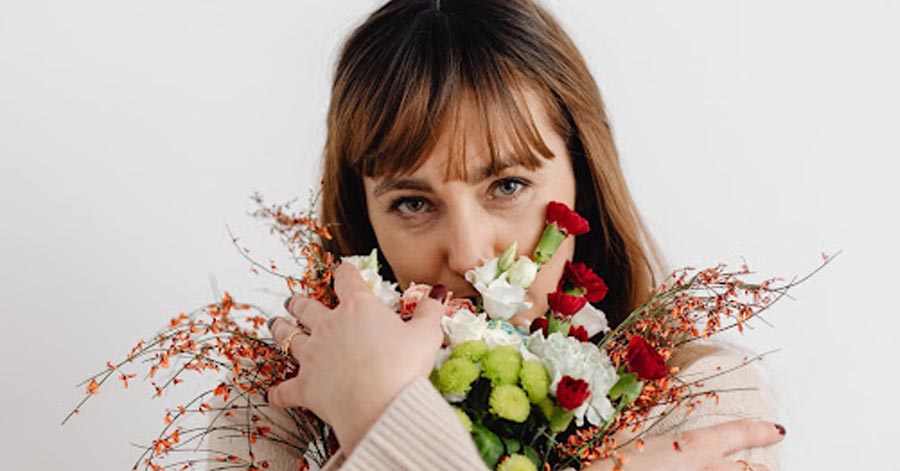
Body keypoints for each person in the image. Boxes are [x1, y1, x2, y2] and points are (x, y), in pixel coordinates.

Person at [207, 1, 785, 469]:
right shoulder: (276, 413)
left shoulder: (699, 397)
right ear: (364, 217)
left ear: (583, 177)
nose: (467, 255)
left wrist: (381, 418)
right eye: (412, 202)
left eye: (507, 186)